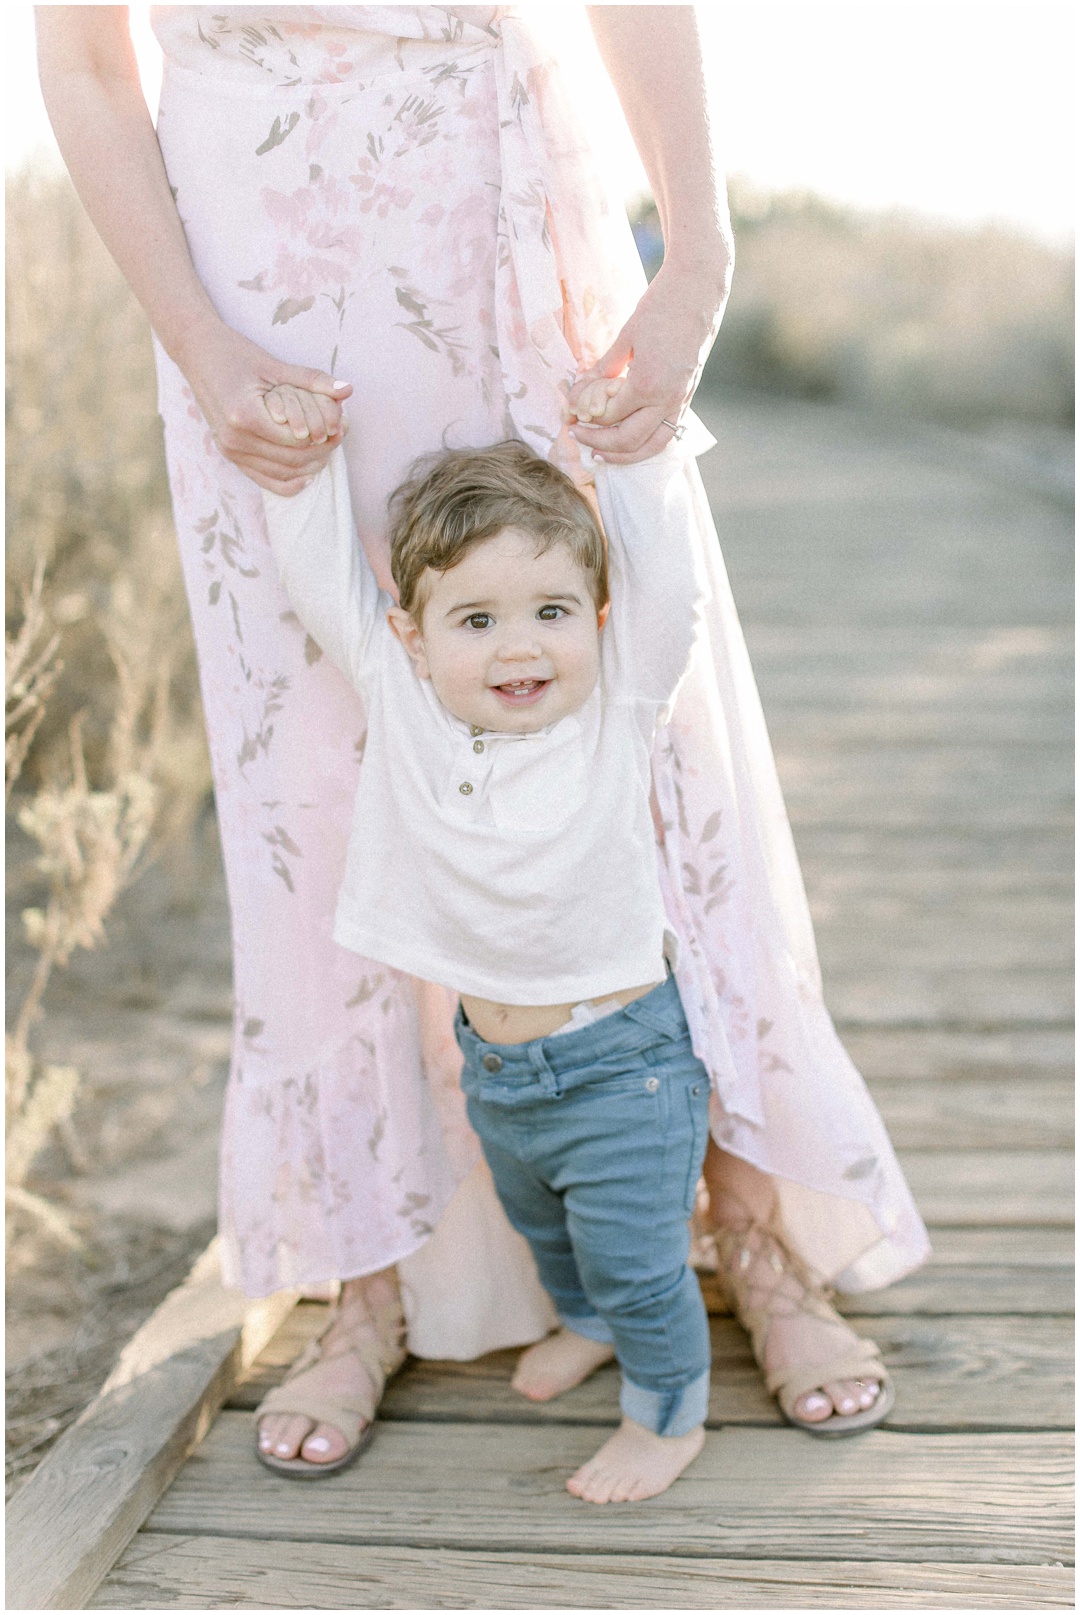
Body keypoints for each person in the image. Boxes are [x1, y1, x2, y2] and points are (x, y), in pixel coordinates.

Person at [37, 5, 929, 1479]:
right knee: (317, 766)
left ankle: (755, 1233)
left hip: (510, 222)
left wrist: (695, 252)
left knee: (634, 711)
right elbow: (77, 56)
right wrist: (195, 342)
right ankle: (364, 1279)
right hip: (254, 286)